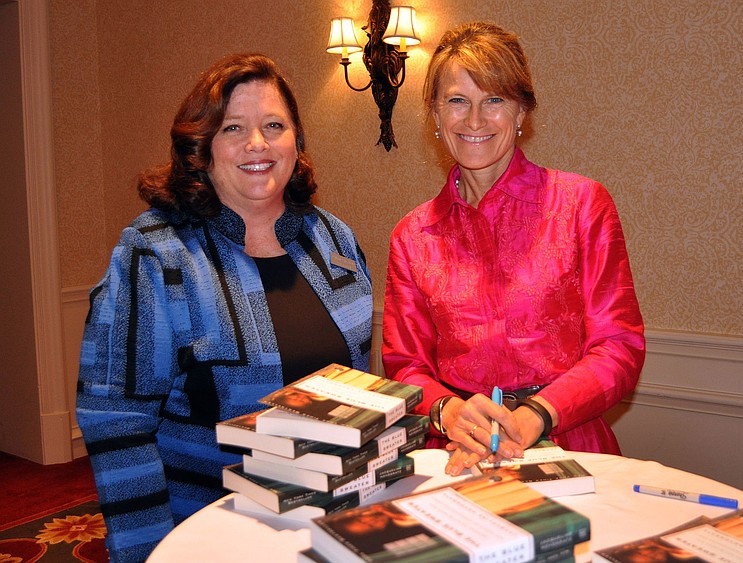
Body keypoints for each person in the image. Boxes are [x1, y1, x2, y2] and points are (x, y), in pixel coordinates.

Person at [76, 53, 373, 562]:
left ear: (296, 143)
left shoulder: (332, 238)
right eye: (233, 127)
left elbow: (358, 394)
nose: (257, 143)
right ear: (202, 148)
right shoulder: (155, 253)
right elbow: (117, 423)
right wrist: (146, 553)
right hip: (209, 535)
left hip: (334, 527)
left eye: (273, 125)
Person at [382, 22, 645, 476]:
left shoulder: (581, 205)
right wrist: (446, 411)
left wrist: (536, 414)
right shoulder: (413, 235)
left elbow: (618, 347)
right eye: (457, 101)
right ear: (436, 116)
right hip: (456, 450)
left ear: (522, 112)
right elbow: (405, 365)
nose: (475, 120)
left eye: (495, 100)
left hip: (566, 440)